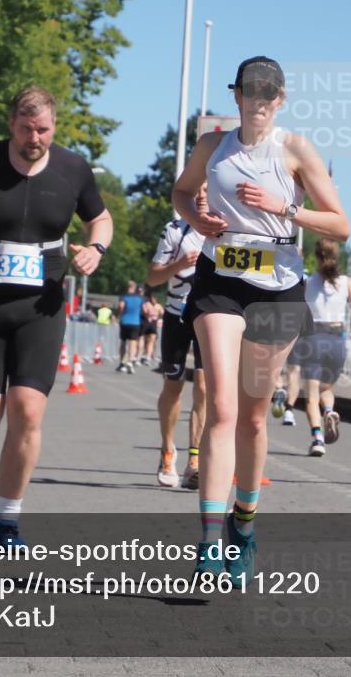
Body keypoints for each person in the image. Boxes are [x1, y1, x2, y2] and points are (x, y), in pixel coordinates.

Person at [172, 56, 350, 586]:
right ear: (237, 97)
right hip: (219, 282)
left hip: (277, 288)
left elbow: (339, 224)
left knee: (252, 416)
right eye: (252, 95)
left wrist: (284, 208)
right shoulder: (212, 146)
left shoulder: (295, 150)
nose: (260, 104)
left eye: (270, 97)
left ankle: (243, 528)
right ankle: (207, 543)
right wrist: (196, 218)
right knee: (222, 407)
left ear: (281, 100)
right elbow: (181, 191)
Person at [0, 85, 112, 547]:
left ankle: (9, 517)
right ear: (11, 125)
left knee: (28, 412)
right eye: (27, 129)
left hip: (42, 307)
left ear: (54, 126)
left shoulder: (73, 169)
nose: (35, 137)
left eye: (44, 129)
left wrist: (96, 249)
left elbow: (101, 219)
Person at [146, 183, 209, 489]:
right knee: (173, 386)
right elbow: (153, 276)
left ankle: (194, 460)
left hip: (210, 317)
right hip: (176, 315)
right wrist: (179, 265)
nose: (203, 195)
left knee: (204, 386)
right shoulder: (175, 230)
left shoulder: (230, 229)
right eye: (199, 190)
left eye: (209, 189)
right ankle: (167, 449)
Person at [300, 238, 351, 457]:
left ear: (317, 258)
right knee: (326, 389)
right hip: (337, 340)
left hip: (314, 338)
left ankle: (318, 438)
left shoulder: (309, 282)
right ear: (336, 257)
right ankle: (329, 411)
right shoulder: (347, 283)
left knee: (311, 396)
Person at [116, 280, 143, 373]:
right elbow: (146, 309)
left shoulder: (124, 296)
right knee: (133, 342)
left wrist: (119, 314)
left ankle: (122, 363)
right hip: (135, 322)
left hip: (125, 321)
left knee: (123, 342)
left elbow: (121, 306)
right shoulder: (140, 298)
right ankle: (130, 361)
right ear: (134, 288)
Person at [139, 291, 162, 365]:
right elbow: (145, 312)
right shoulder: (147, 304)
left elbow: (163, 313)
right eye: (152, 298)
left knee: (151, 340)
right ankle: (140, 355)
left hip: (153, 323)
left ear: (156, 299)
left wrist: (158, 318)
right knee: (144, 339)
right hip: (147, 322)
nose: (153, 300)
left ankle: (148, 357)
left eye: (154, 298)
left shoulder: (158, 306)